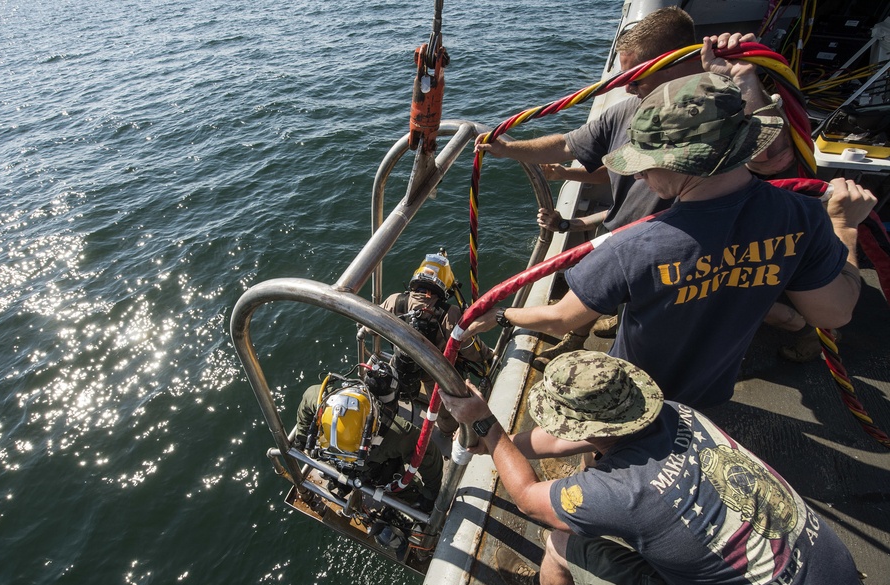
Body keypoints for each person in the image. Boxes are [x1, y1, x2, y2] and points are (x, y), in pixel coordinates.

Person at [464, 72, 876, 409]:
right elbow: (835, 313)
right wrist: (844, 227)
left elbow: (561, 318)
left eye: (645, 165)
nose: (638, 176)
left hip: (634, 397)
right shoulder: (800, 216)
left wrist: (502, 315)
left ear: (687, 166)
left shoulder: (633, 247)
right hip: (712, 392)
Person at [439, 351, 876, 585]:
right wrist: (498, 448)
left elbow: (528, 499)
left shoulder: (624, 494)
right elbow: (573, 437)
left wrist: (488, 427)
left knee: (562, 544)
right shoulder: (674, 412)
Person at [477, 7, 794, 359]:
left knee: (676, 328)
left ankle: (798, 328)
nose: (627, 87)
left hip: (685, 253)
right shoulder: (626, 111)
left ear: (673, 62)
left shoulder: (724, 110)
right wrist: (508, 150)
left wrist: (744, 78)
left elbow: (772, 159)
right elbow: (569, 144)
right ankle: (591, 335)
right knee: (599, 290)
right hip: (627, 241)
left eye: (637, 76)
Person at [377, 251, 492, 444]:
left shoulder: (395, 300)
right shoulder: (451, 314)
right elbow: (469, 348)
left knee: (391, 390)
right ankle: (448, 432)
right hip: (434, 374)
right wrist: (487, 356)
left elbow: (371, 326)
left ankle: (385, 420)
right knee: (442, 410)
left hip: (400, 364)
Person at [294, 369, 442, 508]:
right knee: (395, 478)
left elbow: (308, 398)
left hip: (333, 459)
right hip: (370, 469)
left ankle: (340, 481)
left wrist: (301, 439)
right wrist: (430, 495)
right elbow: (427, 453)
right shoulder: (395, 434)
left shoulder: (322, 400)